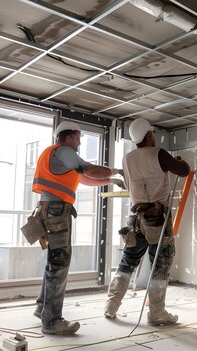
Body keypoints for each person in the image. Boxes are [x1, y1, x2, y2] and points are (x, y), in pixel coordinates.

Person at [32, 120, 125, 335]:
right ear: (69, 136)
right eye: (78, 137)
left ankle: (42, 308)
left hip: (50, 209)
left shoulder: (57, 156)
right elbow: (89, 169)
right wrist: (117, 170)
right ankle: (52, 321)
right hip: (56, 211)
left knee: (54, 262)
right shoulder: (64, 151)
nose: (80, 141)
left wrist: (111, 180)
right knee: (59, 264)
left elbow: (84, 178)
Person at [103, 118, 190, 325]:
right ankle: (156, 312)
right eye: (153, 133)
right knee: (160, 262)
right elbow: (184, 171)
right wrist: (182, 162)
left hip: (135, 218)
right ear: (148, 136)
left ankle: (111, 305)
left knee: (128, 260)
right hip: (157, 218)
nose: (154, 136)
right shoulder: (158, 153)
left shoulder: (127, 158)